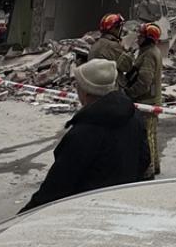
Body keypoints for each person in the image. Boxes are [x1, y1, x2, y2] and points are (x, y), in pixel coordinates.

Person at [21, 59, 149, 211]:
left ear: (86, 92)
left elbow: (58, 184)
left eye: (78, 86)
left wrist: (26, 214)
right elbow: (144, 159)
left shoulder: (84, 133)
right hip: (123, 203)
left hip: (88, 209)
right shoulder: (134, 116)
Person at [124, 22, 163, 178]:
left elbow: (144, 82)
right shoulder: (149, 51)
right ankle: (155, 166)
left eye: (141, 36)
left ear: (148, 39)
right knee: (151, 135)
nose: (138, 38)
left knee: (147, 136)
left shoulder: (148, 55)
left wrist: (129, 93)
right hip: (150, 101)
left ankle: (149, 169)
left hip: (147, 102)